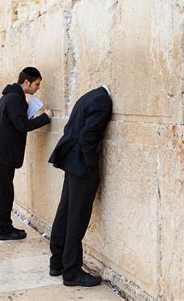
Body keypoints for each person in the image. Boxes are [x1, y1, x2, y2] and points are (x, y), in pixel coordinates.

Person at [48, 85, 112, 287]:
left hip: (70, 161)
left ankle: (57, 262)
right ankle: (72, 271)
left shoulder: (88, 96)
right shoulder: (103, 101)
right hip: (81, 166)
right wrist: (91, 164)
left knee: (65, 212)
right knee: (77, 217)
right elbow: (88, 136)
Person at [0, 67, 53, 241]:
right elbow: (22, 126)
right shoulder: (14, 98)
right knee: (3, 192)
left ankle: (6, 227)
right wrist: (45, 117)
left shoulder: (12, 96)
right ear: (26, 82)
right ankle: (4, 231)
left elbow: (16, 123)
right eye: (36, 84)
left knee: (4, 191)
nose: (37, 88)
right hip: (0, 153)